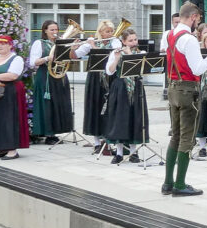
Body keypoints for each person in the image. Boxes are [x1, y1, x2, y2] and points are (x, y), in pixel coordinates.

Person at [164, 2, 207, 197]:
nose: (198, 22)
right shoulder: (188, 39)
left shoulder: (170, 34)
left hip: (173, 87)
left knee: (176, 135)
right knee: (187, 138)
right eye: (197, 18)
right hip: (188, 89)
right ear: (193, 17)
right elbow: (197, 68)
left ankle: (167, 182)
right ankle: (180, 184)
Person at [103, 29, 150, 165]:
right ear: (123, 42)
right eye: (130, 40)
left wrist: (130, 55)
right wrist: (117, 57)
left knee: (135, 118)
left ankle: (134, 153)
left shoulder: (141, 53)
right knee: (120, 119)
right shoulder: (115, 53)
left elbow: (143, 71)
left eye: (135, 40)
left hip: (136, 88)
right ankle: (119, 153)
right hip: (120, 87)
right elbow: (109, 71)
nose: (134, 42)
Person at [75, 20, 121, 151]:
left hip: (110, 77)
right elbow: (75, 55)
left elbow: (108, 57)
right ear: (100, 32)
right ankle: (96, 142)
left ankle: (108, 139)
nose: (110, 33)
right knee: (95, 107)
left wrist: (94, 47)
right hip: (95, 78)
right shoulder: (92, 42)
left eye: (111, 31)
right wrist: (74, 48)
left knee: (109, 108)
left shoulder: (115, 42)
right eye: (107, 31)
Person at [28, 20, 73, 144]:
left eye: (56, 30)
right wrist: (47, 58)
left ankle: (56, 131)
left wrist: (73, 48)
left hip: (59, 76)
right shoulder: (39, 43)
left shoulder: (60, 44)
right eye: (52, 30)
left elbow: (69, 58)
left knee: (58, 104)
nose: (55, 32)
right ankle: (48, 133)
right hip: (45, 76)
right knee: (47, 105)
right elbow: (32, 62)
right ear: (45, 31)